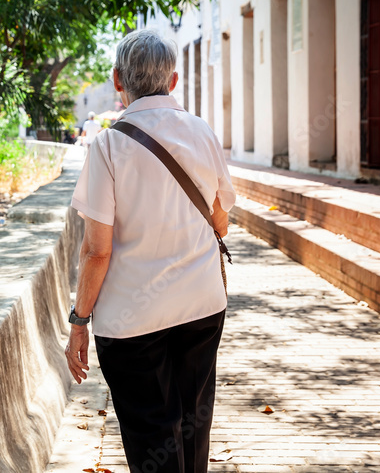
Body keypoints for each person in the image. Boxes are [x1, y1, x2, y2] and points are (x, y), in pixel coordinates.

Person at [65, 29, 236, 473]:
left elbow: (96, 251)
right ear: (173, 81)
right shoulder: (202, 132)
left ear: (117, 80)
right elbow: (221, 222)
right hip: (201, 306)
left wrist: (79, 321)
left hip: (132, 322)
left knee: (152, 438)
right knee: (194, 431)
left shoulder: (106, 146)